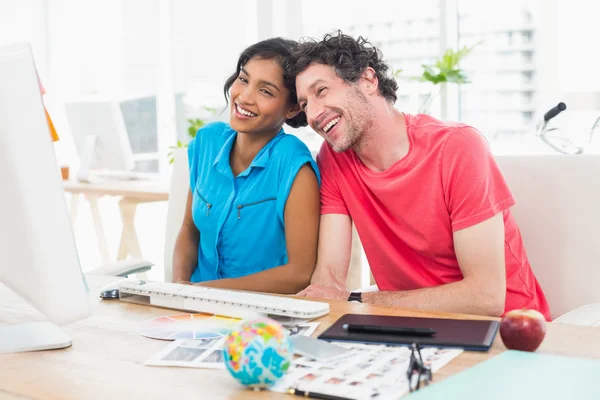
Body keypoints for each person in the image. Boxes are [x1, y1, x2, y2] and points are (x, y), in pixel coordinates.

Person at [290, 32, 551, 319]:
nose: (312, 114)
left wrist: (357, 298)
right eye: (304, 105)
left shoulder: (457, 147)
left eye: (321, 91)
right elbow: (328, 281)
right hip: (412, 327)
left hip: (507, 329)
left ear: (367, 80)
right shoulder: (334, 160)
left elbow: (485, 297)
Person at [172, 38, 320, 294]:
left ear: (293, 108)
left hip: (262, 317)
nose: (245, 97)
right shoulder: (207, 141)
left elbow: (300, 274)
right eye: (243, 79)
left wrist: (205, 292)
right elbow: (189, 230)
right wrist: (177, 291)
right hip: (193, 310)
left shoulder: (293, 162)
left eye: (266, 91)